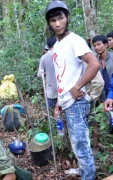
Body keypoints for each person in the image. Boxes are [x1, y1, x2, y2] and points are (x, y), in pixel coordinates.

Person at [45, 1, 100, 179]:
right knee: (77, 146)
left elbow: (94, 64)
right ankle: (84, 171)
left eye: (60, 18)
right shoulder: (58, 45)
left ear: (67, 17)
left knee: (82, 147)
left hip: (77, 103)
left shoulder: (74, 40)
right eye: (53, 20)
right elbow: (64, 76)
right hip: (67, 103)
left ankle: (88, 176)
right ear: (49, 23)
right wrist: (59, 103)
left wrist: (77, 87)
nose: (57, 24)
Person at [37, 37, 58, 111]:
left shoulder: (44, 57)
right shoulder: (61, 54)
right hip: (63, 90)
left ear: (48, 46)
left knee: (52, 112)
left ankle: (56, 122)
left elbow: (39, 74)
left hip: (51, 92)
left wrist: (47, 72)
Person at [92, 35, 113, 102]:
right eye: (94, 46)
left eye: (98, 44)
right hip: (102, 97)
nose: (96, 47)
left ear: (106, 45)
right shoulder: (95, 62)